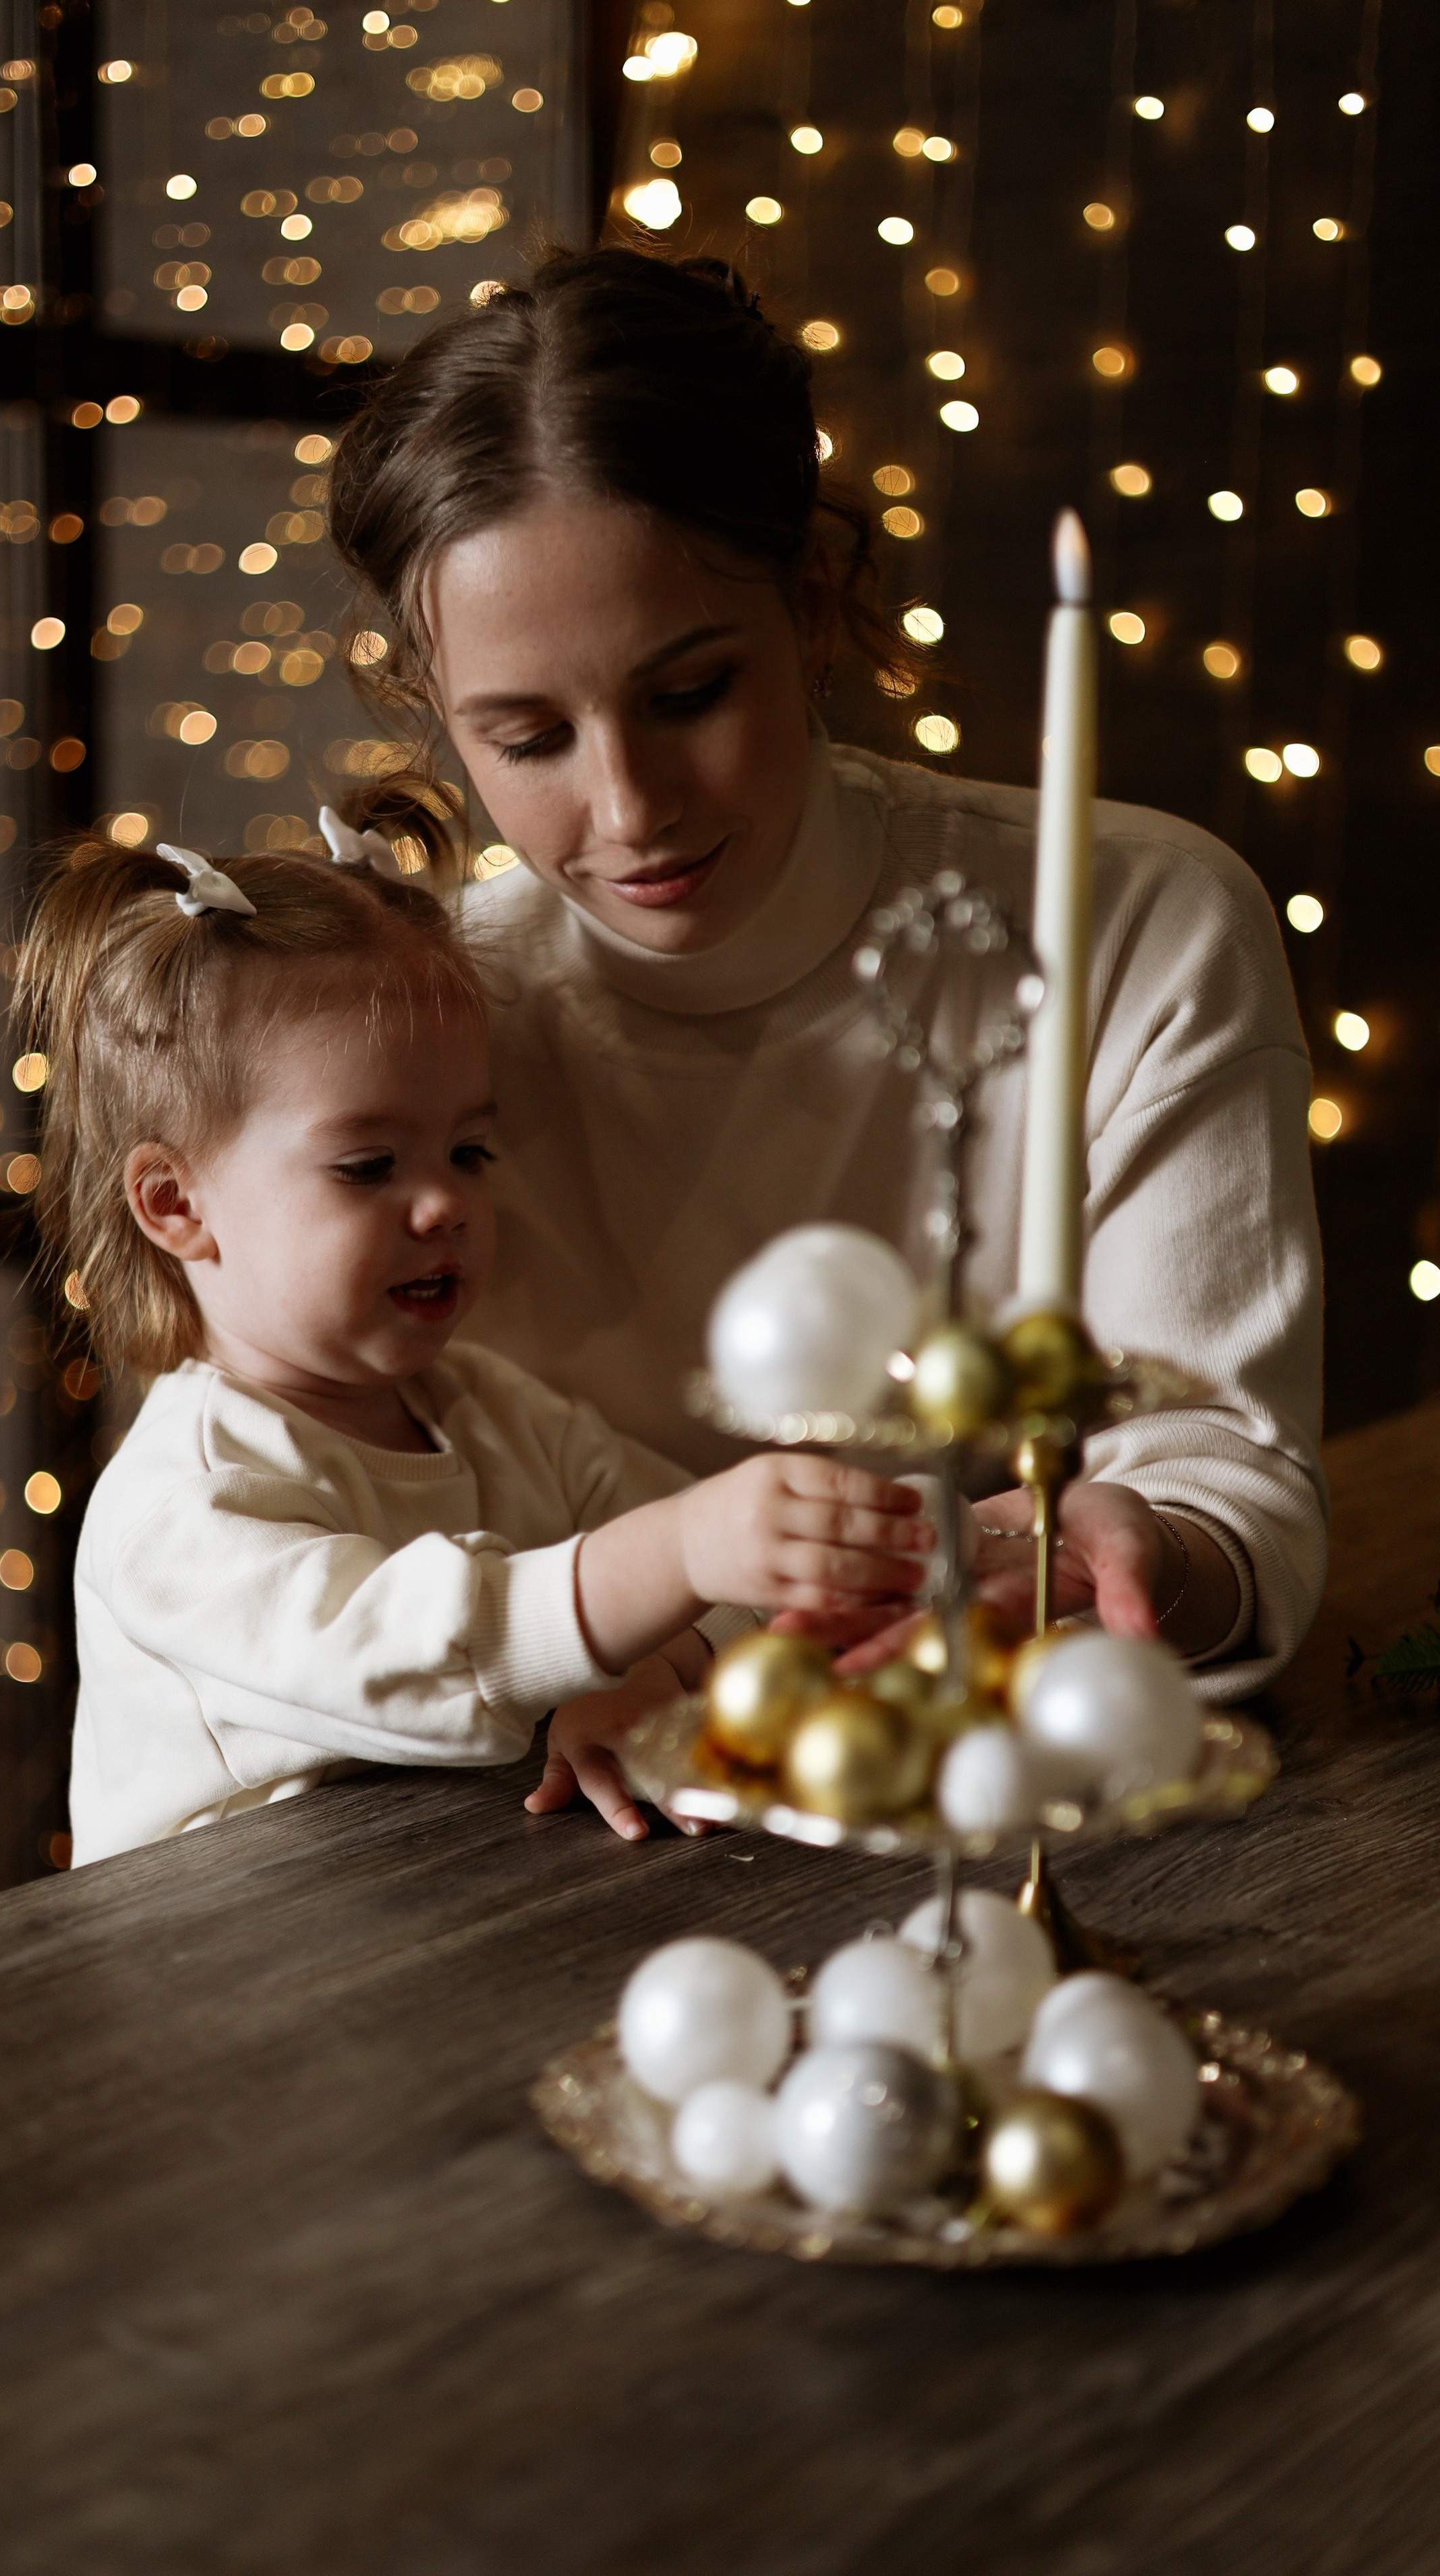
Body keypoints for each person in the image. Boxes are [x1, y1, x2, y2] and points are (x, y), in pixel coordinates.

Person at [325, 244, 1326, 1832]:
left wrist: (1143, 1549)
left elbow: (1222, 1486)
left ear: (809, 604)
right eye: (525, 739)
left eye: (691, 690)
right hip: (547, 1828)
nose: (629, 809)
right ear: (431, 712)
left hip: (1024, 1787)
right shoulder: (418, 1036)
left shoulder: (1134, 922)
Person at [15, 835, 934, 1864]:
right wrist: (678, 1549)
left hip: (463, 1916)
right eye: (369, 1167)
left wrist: (665, 1665)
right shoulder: (184, 1505)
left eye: (469, 1152)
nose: (447, 1202)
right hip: (231, 1973)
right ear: (176, 1204)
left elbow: (733, 1581)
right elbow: (418, 1657)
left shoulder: (489, 1409)